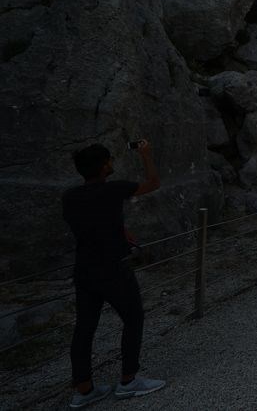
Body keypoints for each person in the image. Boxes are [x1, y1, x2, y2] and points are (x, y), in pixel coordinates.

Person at [62, 141, 165, 408]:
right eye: (108, 160)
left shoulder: (70, 197)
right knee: (133, 318)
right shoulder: (113, 189)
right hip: (113, 268)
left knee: (84, 328)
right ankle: (128, 381)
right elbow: (153, 183)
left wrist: (119, 230)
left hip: (84, 270)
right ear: (102, 166)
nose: (111, 163)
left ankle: (84, 390)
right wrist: (146, 154)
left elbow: (92, 224)